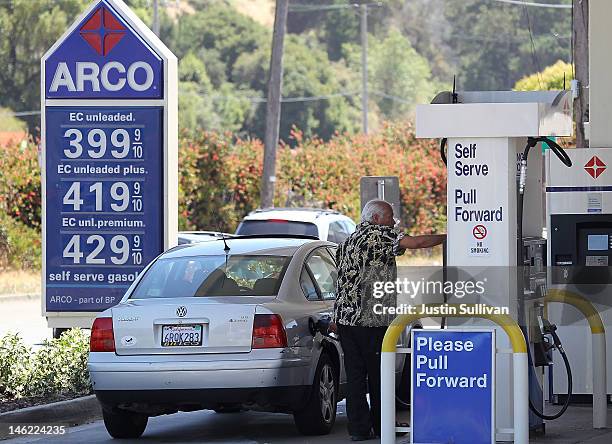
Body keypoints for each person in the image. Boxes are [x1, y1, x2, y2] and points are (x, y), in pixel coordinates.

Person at [330, 199, 445, 441]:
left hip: (346, 320)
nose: (393, 222)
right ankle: (383, 426)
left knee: (355, 378)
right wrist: (449, 236)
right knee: (380, 375)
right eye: (390, 217)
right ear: (375, 219)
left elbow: (342, 281)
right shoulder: (379, 236)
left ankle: (359, 429)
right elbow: (418, 242)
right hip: (372, 321)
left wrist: (335, 316)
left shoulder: (346, 243)